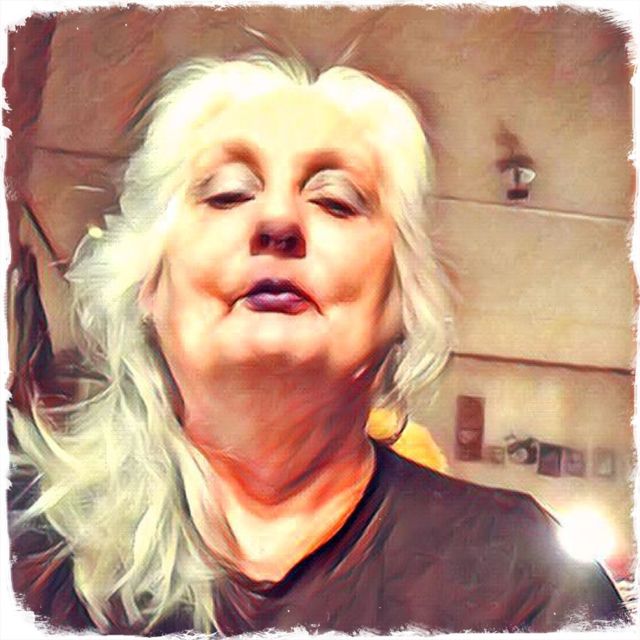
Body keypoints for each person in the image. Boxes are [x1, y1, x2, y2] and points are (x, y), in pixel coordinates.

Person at [8, 53, 629, 636]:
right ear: (150, 285)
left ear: (404, 300)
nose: (277, 222)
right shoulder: (30, 546)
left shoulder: (524, 580)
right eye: (228, 193)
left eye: (335, 201)